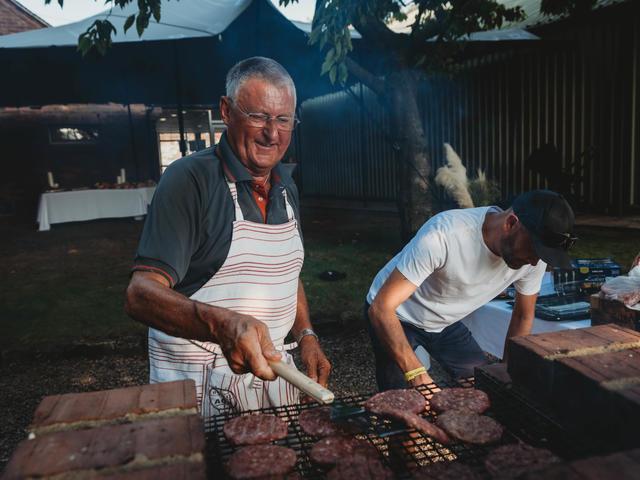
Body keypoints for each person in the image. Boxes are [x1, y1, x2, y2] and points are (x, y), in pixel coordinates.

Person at [125, 57, 330, 416]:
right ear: (226, 110)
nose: (272, 133)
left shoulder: (286, 186)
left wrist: (305, 335)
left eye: (283, 120)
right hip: (199, 384)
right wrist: (221, 325)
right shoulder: (190, 181)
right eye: (259, 116)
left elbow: (285, 273)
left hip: (274, 374)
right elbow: (139, 295)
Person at [365, 190, 577, 390]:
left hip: (445, 322)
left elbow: (523, 315)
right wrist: (417, 374)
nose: (533, 262)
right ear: (511, 223)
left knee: (480, 385)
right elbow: (381, 308)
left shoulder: (532, 260)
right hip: (397, 314)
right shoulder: (444, 235)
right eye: (533, 250)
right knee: (401, 397)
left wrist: (508, 368)